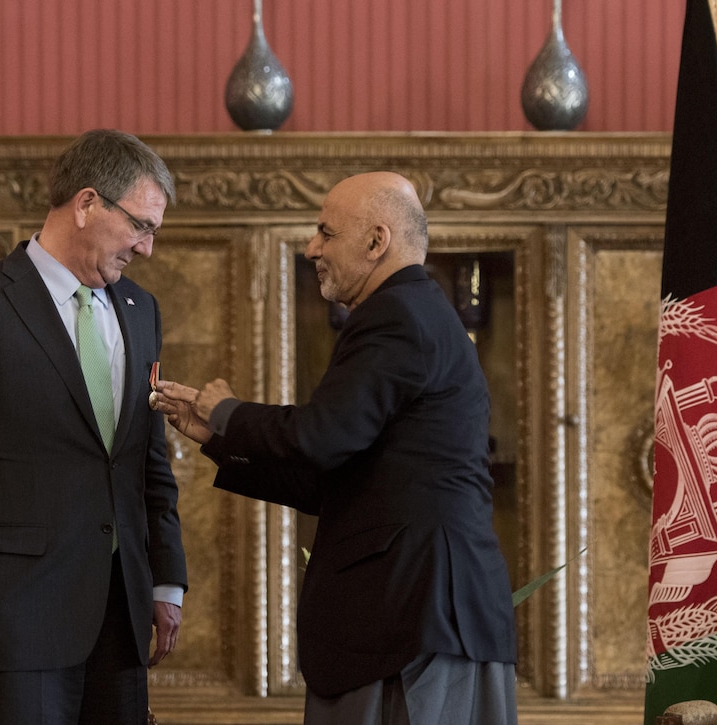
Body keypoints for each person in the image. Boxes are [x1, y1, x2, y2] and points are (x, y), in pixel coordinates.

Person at [154, 171, 517, 725]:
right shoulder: (412, 312)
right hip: (422, 620)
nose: (311, 248)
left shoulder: (396, 314)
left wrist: (227, 411)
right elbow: (340, 480)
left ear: (376, 242)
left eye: (326, 232)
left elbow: (321, 437)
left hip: (413, 621)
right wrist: (217, 440)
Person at [0, 129, 188, 725]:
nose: (147, 248)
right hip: (12, 618)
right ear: (86, 203)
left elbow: (147, 460)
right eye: (141, 226)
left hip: (119, 616)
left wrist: (166, 580)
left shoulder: (140, 310)